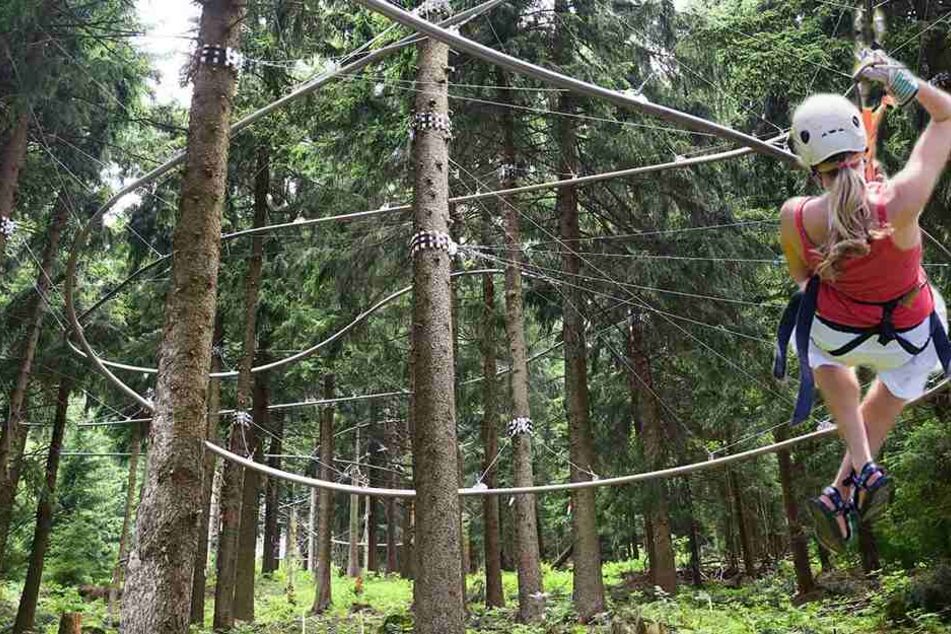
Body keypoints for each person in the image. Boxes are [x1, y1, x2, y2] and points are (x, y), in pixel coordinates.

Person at [776, 50, 951, 553]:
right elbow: (946, 115)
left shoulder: (796, 216)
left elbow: (803, 280)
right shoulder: (900, 200)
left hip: (842, 332)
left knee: (817, 345)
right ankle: (851, 479)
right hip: (911, 335)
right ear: (861, 147)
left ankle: (849, 481)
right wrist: (903, 80)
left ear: (812, 166)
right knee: (897, 380)